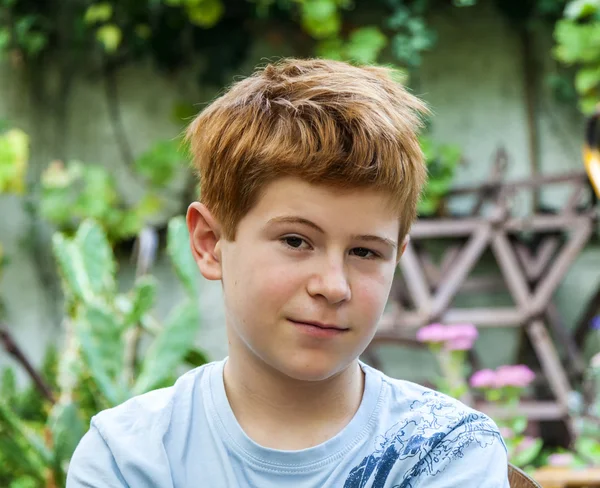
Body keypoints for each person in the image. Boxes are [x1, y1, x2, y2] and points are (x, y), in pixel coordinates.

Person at [67, 58, 509, 487]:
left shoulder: (446, 452)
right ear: (208, 243)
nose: (333, 286)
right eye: (296, 241)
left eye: (365, 252)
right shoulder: (129, 457)